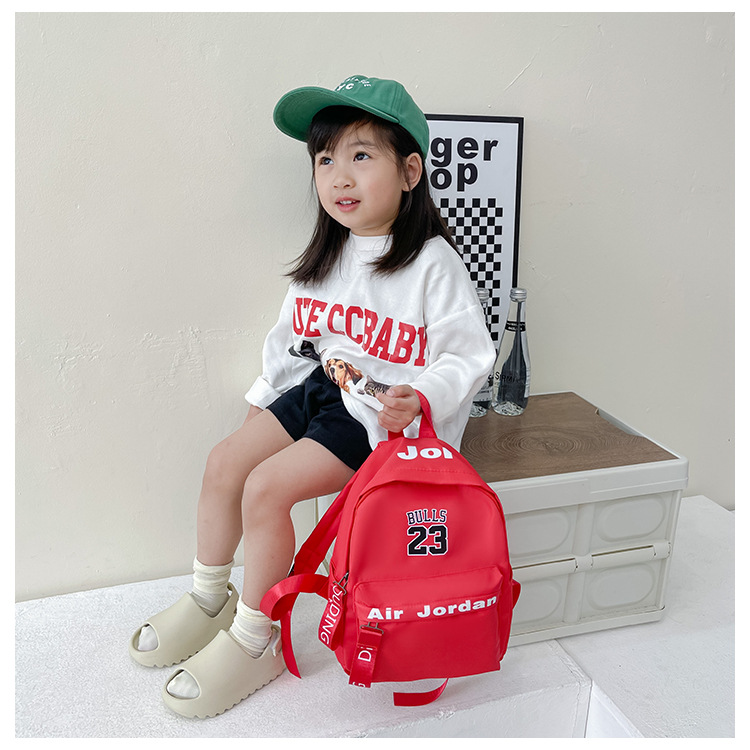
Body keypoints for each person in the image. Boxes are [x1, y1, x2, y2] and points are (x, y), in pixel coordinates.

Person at [129, 74, 496, 719]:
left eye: (361, 155)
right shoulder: (328, 256)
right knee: (224, 463)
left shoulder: (432, 263)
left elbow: (470, 353)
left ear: (410, 171)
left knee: (266, 489)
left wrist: (421, 395)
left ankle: (257, 637)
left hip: (376, 418)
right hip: (321, 390)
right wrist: (263, 402)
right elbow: (289, 340)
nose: (339, 177)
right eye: (324, 160)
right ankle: (210, 598)